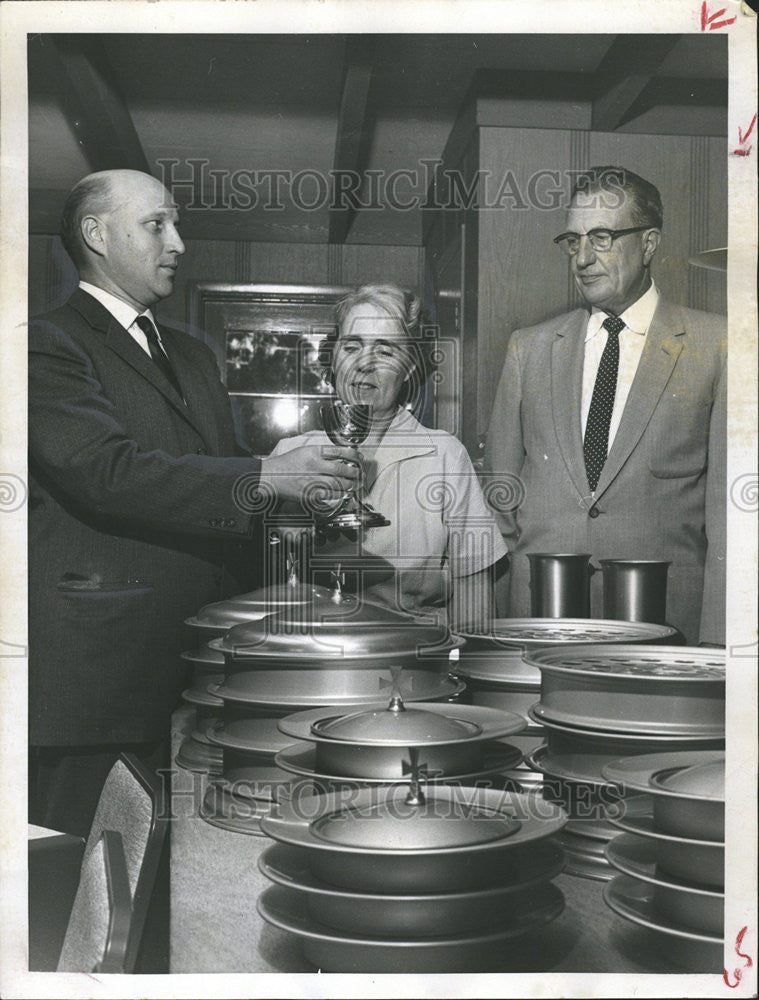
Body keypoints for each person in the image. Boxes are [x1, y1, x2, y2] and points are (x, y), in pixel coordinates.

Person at [28, 169, 359, 838]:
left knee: (176, 883)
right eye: (157, 224)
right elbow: (106, 472)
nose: (177, 241)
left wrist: (305, 502)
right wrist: (269, 475)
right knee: (87, 893)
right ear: (96, 234)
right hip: (101, 679)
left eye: (175, 223)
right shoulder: (46, 343)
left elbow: (217, 488)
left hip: (198, 666)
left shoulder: (191, 354)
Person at [484, 166, 726, 645]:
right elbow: (501, 505)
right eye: (573, 241)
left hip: (666, 629)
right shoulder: (528, 348)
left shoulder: (716, 345)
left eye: (601, 237)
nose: (583, 257)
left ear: (650, 243)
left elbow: (729, 517)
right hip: (542, 624)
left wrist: (718, 645)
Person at [269, 283, 507, 627]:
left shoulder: (444, 457)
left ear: (409, 366)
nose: (364, 364)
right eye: (351, 346)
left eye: (385, 350)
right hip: (308, 655)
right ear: (333, 358)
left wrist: (461, 669)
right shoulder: (287, 455)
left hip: (411, 663)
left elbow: (474, 597)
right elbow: (265, 589)